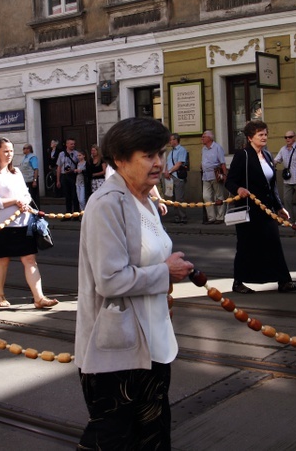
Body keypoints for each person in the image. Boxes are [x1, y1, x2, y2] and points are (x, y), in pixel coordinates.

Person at [75, 117, 193, 449]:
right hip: (118, 352)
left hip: (153, 341)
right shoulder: (106, 204)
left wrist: (166, 268)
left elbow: (149, 257)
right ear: (121, 159)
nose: (158, 162)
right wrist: (165, 273)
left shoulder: (144, 199)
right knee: (114, 441)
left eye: (160, 153)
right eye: (148, 155)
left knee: (153, 438)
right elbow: (110, 281)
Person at [225, 121, 296, 295]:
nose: (264, 137)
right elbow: (229, 181)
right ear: (250, 137)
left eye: (265, 134)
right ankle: (238, 282)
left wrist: (280, 207)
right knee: (246, 245)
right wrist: (239, 189)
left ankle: (284, 281)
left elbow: (271, 186)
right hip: (249, 209)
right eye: (260, 134)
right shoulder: (242, 155)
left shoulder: (267, 155)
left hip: (266, 210)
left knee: (274, 243)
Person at [0, 137, 58, 309]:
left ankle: (39, 298)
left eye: (11, 151)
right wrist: (15, 200)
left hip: (23, 223)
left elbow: (26, 194)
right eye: (5, 151)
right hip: (3, 226)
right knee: (3, 260)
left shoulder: (16, 172)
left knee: (30, 259)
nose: (9, 154)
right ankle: (0, 295)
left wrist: (23, 201)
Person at [273, 130, 296, 225]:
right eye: (286, 137)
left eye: (290, 137)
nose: (287, 139)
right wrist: (270, 163)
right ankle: (289, 219)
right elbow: (276, 160)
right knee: (286, 199)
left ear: (294, 137)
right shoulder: (283, 149)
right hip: (287, 179)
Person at [201, 130, 227, 224]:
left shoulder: (217, 148)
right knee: (206, 196)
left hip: (215, 175)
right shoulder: (203, 149)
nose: (202, 138)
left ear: (209, 138)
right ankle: (211, 218)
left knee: (219, 196)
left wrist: (224, 175)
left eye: (204, 137)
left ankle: (220, 217)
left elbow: (222, 163)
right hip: (205, 175)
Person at [164, 133, 188, 224]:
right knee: (173, 198)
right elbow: (167, 163)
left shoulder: (181, 150)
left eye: (171, 139)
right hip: (170, 177)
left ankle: (183, 217)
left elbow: (179, 163)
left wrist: (169, 171)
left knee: (179, 198)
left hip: (177, 176)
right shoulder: (171, 152)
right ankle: (177, 217)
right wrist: (166, 172)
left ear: (176, 140)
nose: (170, 141)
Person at [56, 138, 81, 214]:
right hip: (64, 176)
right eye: (71, 144)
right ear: (67, 144)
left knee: (74, 195)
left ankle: (76, 213)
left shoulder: (77, 153)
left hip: (73, 175)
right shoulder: (61, 154)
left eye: (74, 144)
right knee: (67, 196)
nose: (73, 145)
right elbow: (59, 167)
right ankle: (68, 213)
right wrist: (58, 180)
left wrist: (74, 170)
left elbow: (81, 164)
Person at [20, 143, 40, 208]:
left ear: (28, 149)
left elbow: (36, 169)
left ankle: (36, 212)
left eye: (24, 148)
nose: (23, 150)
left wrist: (35, 180)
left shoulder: (32, 157)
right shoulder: (24, 158)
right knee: (27, 197)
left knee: (33, 198)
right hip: (26, 180)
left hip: (31, 180)